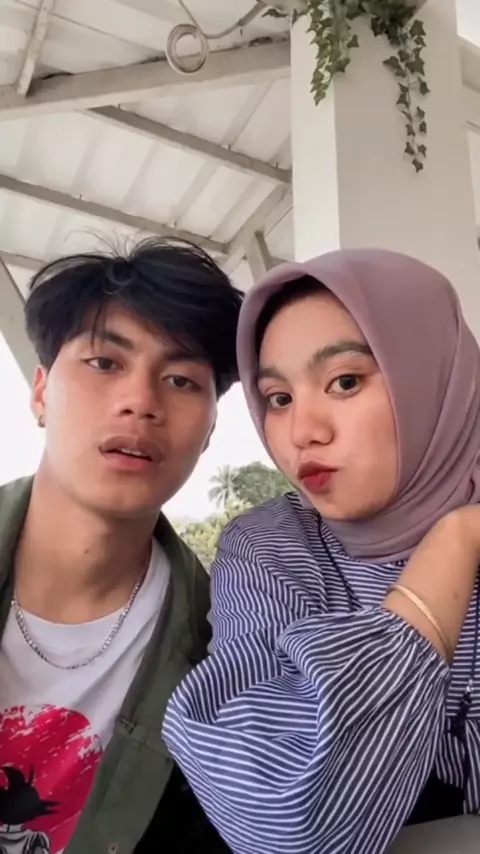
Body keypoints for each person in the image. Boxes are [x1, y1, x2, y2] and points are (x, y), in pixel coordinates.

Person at [163, 248, 480, 854]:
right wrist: (456, 539)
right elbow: (281, 818)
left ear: (435, 377)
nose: (302, 431)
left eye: (345, 382)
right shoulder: (270, 550)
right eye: (278, 398)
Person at [0, 238, 242, 854]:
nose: (141, 402)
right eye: (105, 363)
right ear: (41, 393)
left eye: (181, 379)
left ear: (210, 429)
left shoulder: (223, 650)